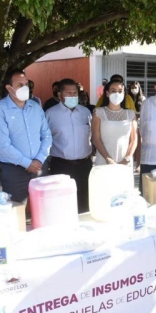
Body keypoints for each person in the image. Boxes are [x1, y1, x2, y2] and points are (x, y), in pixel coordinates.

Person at [0, 70, 52, 203]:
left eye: (26, 84)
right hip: (14, 171)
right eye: (20, 85)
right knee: (15, 211)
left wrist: (40, 159)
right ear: (9, 88)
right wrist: (27, 163)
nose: (25, 88)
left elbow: (46, 135)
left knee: (44, 209)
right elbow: (3, 146)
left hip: (40, 167)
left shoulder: (36, 107)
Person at [46, 78, 93, 213]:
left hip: (84, 165)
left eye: (74, 93)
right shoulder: (50, 114)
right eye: (68, 93)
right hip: (61, 165)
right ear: (59, 95)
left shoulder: (85, 113)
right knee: (63, 205)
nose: (72, 96)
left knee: (85, 204)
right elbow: (45, 138)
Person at [92, 80, 138, 170]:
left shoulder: (131, 114)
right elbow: (96, 138)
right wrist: (108, 158)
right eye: (113, 90)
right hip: (104, 161)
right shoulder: (98, 112)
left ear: (124, 93)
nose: (117, 93)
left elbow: (134, 139)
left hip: (125, 162)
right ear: (107, 93)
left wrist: (127, 158)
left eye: (120, 91)